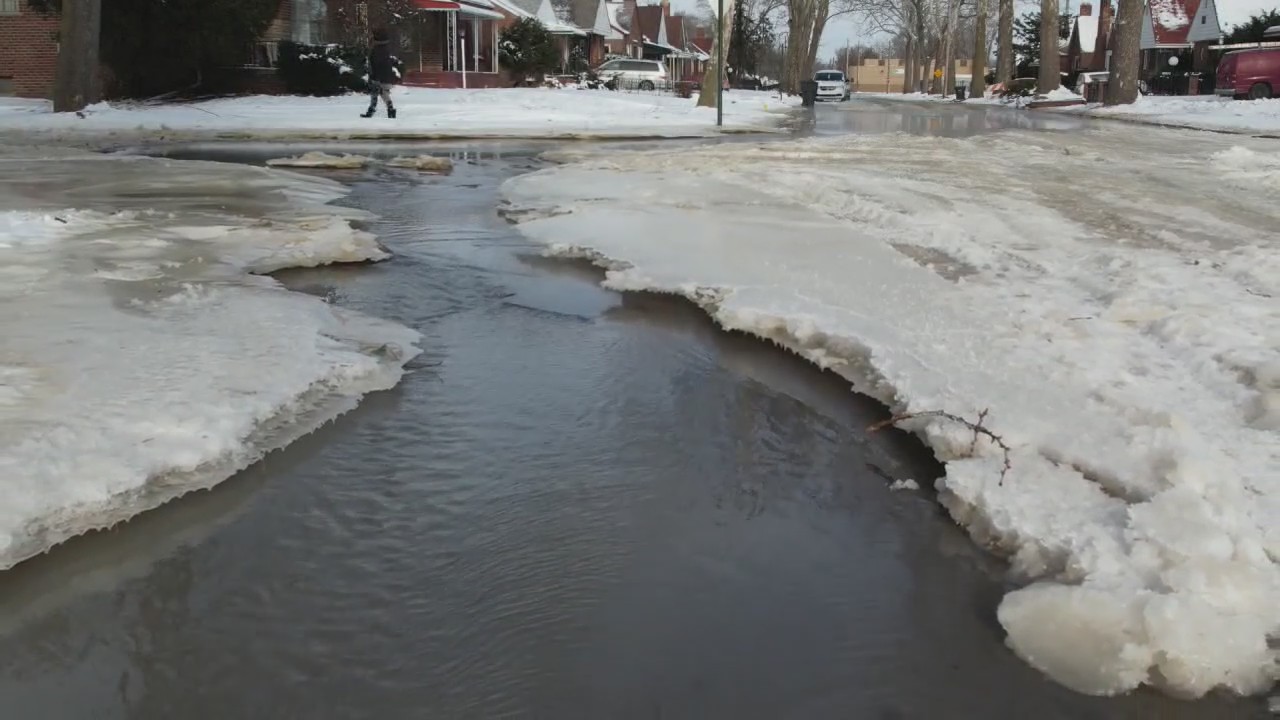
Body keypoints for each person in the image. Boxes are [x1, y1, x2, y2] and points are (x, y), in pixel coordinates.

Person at [361, 28, 398, 119]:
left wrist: (374, 75)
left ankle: (375, 110)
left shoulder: (377, 50)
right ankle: (389, 110)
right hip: (384, 75)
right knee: (381, 92)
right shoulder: (384, 49)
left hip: (378, 75)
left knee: (378, 92)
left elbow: (376, 63)